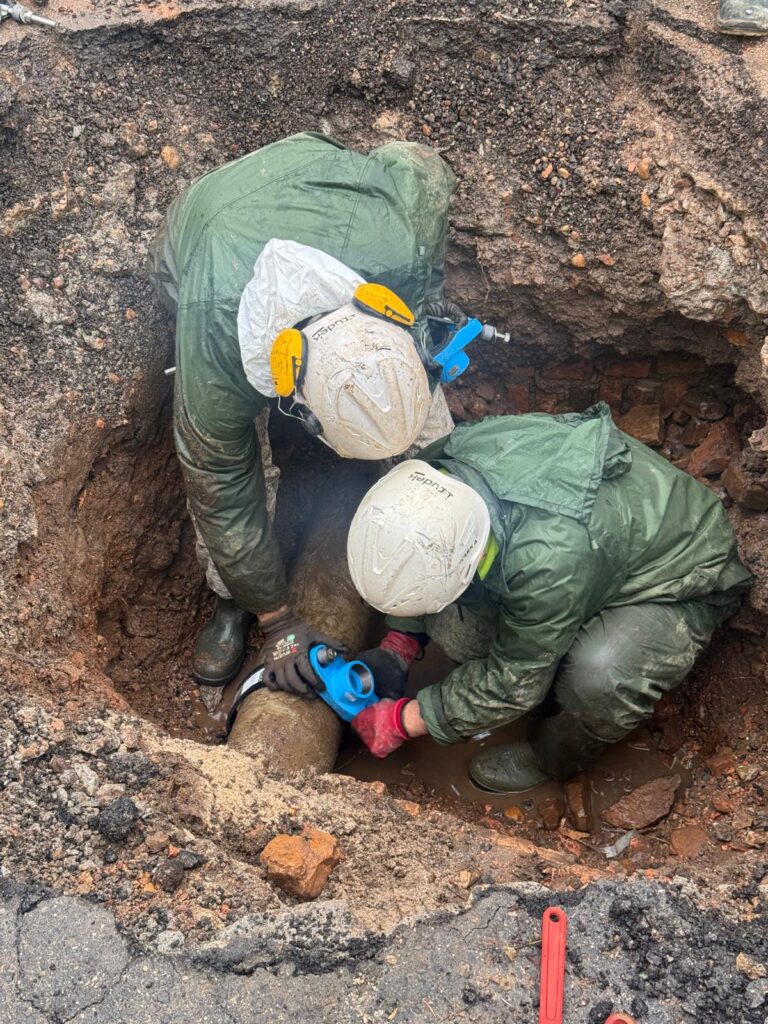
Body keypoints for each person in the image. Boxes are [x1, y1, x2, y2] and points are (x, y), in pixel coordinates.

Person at [150, 131, 459, 691]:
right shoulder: (216, 348)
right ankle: (234, 600)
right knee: (234, 475)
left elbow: (421, 167)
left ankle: (443, 532)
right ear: (298, 406)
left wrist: (430, 288)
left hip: (310, 175)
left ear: (388, 319)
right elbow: (220, 485)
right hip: (204, 230)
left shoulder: (399, 252)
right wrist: (279, 619)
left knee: (432, 437)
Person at [346, 403, 753, 793]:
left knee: (599, 678)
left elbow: (513, 683)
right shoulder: (433, 477)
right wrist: (399, 642)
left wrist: (406, 720)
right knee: (465, 637)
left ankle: (551, 758)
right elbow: (416, 558)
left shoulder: (545, 560)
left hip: (680, 575)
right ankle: (549, 646)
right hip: (596, 546)